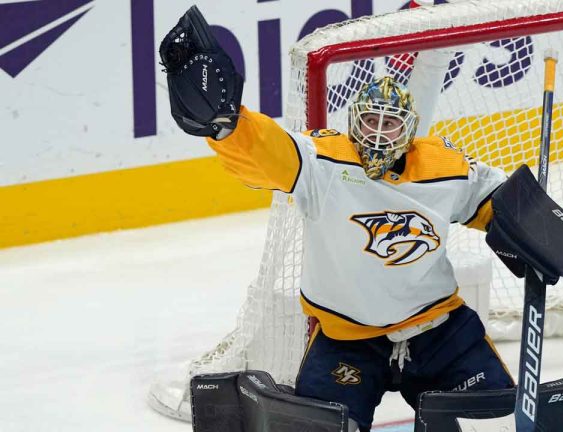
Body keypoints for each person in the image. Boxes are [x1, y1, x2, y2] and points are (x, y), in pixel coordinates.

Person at [158, 9, 515, 431]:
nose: (379, 134)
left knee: (495, 410)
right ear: (352, 123)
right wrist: (227, 127)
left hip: (437, 330)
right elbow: (274, 153)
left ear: (409, 128)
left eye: (390, 124)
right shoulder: (324, 164)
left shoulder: (443, 166)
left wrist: (528, 229)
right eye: (369, 121)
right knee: (325, 427)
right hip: (348, 339)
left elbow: (497, 199)